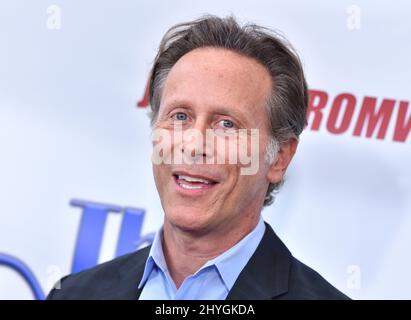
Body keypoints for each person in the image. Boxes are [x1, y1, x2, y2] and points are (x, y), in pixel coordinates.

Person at [47, 15, 349, 300]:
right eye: (180, 116)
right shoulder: (74, 293)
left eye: (227, 124)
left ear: (279, 158)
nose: (193, 144)